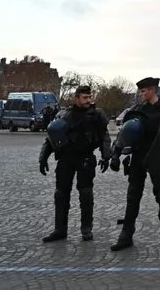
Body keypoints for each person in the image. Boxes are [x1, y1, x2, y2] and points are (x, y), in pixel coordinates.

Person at [109, 77, 160, 254]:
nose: (142, 94)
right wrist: (115, 155)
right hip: (139, 158)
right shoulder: (136, 110)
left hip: (158, 159)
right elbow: (123, 135)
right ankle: (126, 237)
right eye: (141, 91)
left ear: (153, 90)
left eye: (144, 91)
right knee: (133, 197)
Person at [38, 85, 111, 242]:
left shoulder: (96, 115)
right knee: (61, 194)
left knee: (85, 193)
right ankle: (60, 229)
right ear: (76, 98)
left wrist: (106, 156)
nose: (88, 100)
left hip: (85, 157)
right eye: (84, 97)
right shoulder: (64, 114)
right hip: (66, 158)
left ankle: (86, 229)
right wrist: (43, 157)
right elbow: (51, 137)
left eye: (89, 97)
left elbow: (104, 136)